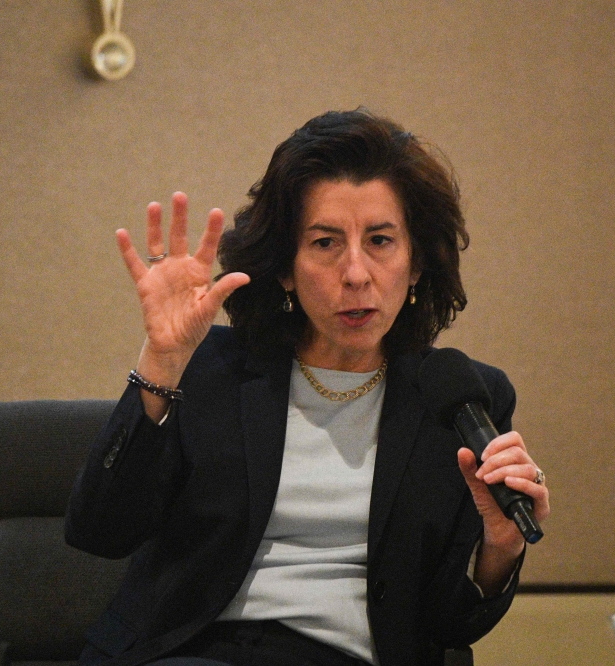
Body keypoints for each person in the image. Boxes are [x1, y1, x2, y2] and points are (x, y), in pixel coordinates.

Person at [65, 109, 550, 666]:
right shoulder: (212, 371)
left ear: (415, 263)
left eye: (381, 241)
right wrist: (162, 362)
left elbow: (447, 627)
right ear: (285, 269)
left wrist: (500, 545)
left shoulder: (462, 398)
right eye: (325, 243)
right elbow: (99, 533)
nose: (356, 273)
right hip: (190, 653)